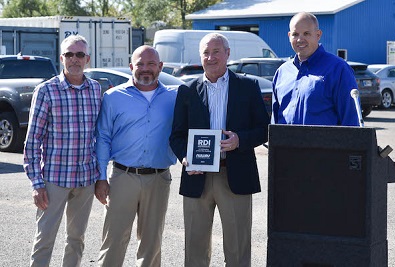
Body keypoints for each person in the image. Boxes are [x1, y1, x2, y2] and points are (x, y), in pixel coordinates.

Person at [169, 33, 270, 267]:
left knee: (237, 249)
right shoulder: (187, 90)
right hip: (197, 177)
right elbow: (176, 135)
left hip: (234, 175)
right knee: (195, 249)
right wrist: (185, 158)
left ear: (227, 54)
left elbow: (264, 129)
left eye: (216, 51)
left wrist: (239, 140)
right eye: (206, 52)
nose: (211, 57)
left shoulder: (247, 86)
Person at [23, 34, 102, 266]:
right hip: (54, 181)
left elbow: (99, 135)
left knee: (76, 239)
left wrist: (100, 176)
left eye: (79, 55)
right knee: (45, 239)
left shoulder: (96, 89)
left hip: (86, 179)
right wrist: (36, 183)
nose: (74, 59)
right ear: (61, 58)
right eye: (69, 54)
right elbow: (32, 141)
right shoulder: (46, 91)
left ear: (87, 59)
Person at [95, 45, 177, 267]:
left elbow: (186, 133)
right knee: (113, 240)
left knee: (152, 242)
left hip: (159, 178)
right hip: (123, 177)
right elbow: (102, 138)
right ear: (131, 66)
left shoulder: (175, 97)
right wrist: (101, 177)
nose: (145, 69)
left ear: (160, 67)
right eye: (140, 64)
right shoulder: (113, 97)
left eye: (151, 64)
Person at [272, 12, 359, 126]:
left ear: (318, 35)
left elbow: (350, 121)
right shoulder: (282, 72)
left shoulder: (338, 69)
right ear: (289, 36)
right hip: (285, 144)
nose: (300, 39)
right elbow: (275, 122)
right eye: (295, 34)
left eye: (306, 33)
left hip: (324, 144)